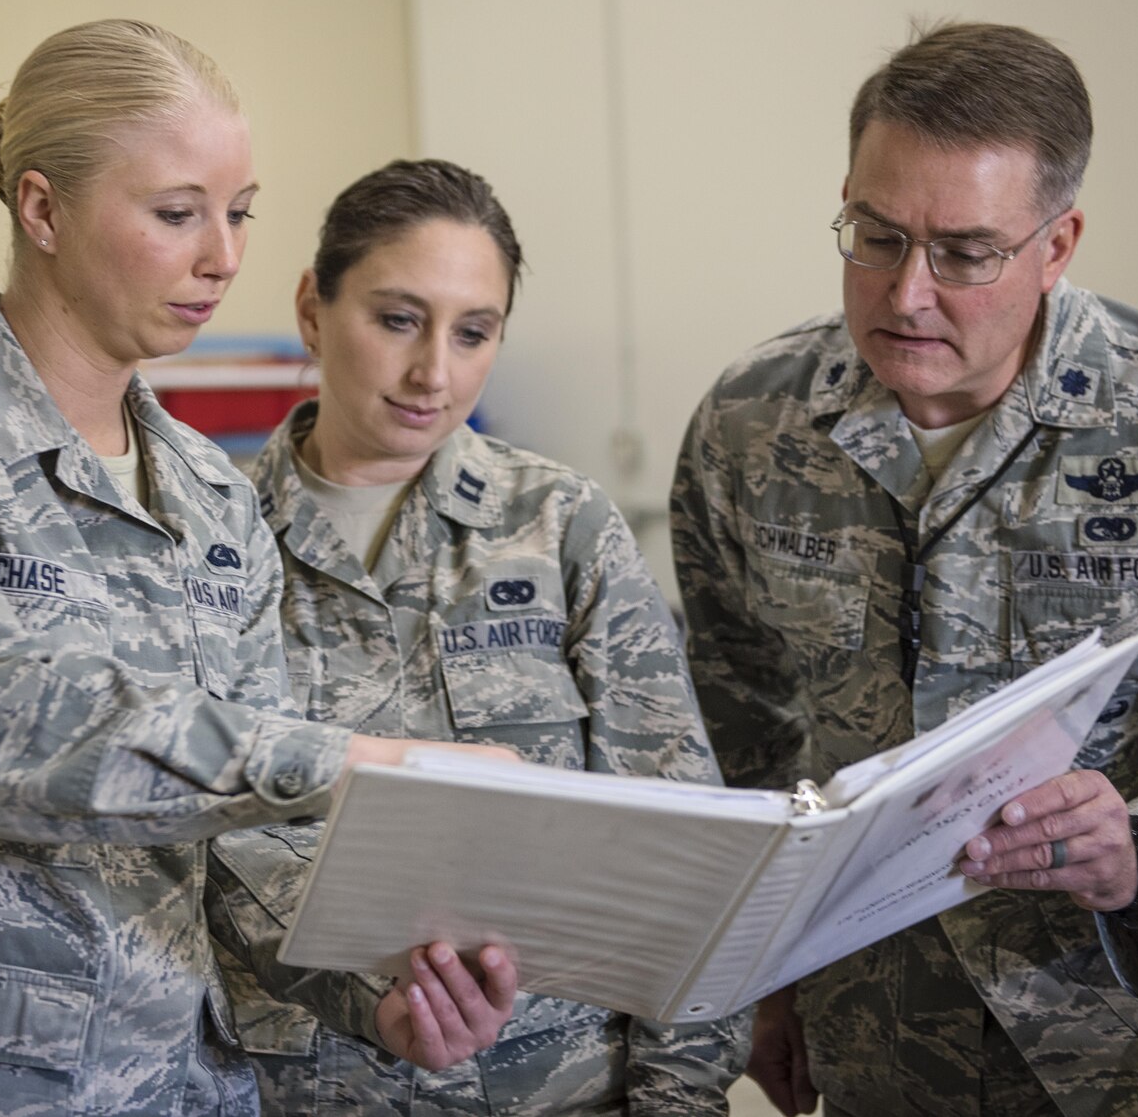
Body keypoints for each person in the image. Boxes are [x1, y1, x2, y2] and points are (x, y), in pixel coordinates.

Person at [0, 21, 518, 1116]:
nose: (224, 256)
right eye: (176, 213)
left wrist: (367, 990)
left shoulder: (207, 493)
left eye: (239, 212)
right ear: (42, 208)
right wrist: (372, 762)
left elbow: (244, 843)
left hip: (176, 1080)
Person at [670, 23, 1138, 1117]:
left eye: (963, 253)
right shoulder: (750, 429)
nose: (906, 294)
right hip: (881, 1049)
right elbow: (734, 749)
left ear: (1056, 246)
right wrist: (753, 984)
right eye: (873, 234)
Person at [204, 158, 747, 1114]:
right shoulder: (209, 546)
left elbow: (682, 855)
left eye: (474, 332)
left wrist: (680, 1101)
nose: (434, 373)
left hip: (564, 1091)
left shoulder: (560, 526)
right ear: (312, 309)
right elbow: (198, 847)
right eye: (398, 319)